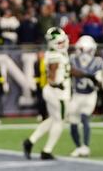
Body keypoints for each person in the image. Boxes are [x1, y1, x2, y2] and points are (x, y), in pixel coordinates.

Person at [23, 27, 71, 160]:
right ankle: (47, 150)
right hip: (58, 93)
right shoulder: (55, 55)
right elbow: (52, 75)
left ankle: (30, 141)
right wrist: (57, 83)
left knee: (53, 119)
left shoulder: (55, 53)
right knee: (60, 121)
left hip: (51, 91)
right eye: (59, 43)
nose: (62, 44)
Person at [68, 35, 103, 157]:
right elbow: (71, 71)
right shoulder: (72, 59)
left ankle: (86, 146)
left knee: (84, 118)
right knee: (72, 122)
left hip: (90, 95)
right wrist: (89, 76)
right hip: (77, 95)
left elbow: (100, 80)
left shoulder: (98, 61)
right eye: (82, 50)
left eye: (88, 50)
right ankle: (78, 146)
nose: (85, 54)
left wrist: (98, 79)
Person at [33, 49, 48, 121]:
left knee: (47, 101)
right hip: (40, 85)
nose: (41, 56)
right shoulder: (36, 63)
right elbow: (36, 75)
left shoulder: (46, 62)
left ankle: (47, 114)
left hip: (47, 84)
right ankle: (41, 114)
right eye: (40, 54)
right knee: (40, 101)